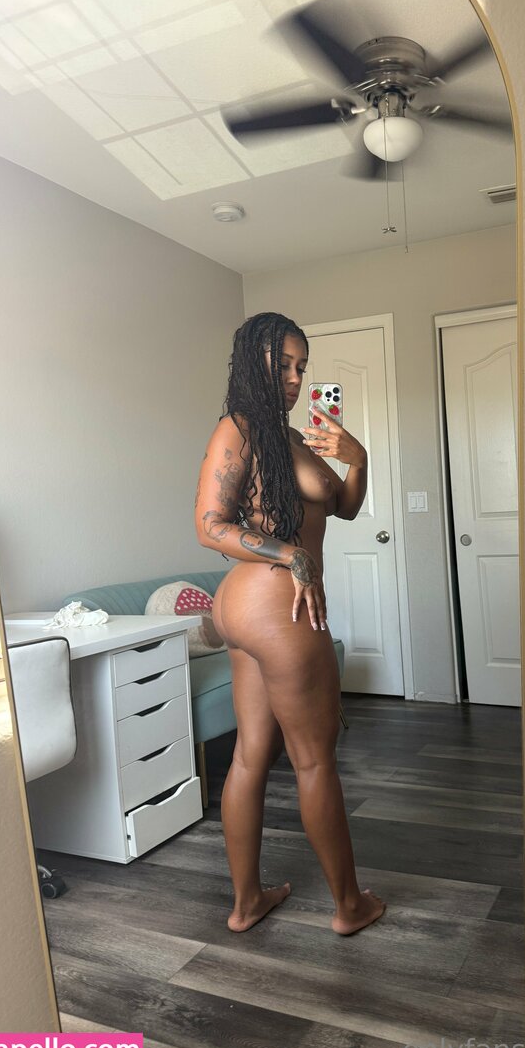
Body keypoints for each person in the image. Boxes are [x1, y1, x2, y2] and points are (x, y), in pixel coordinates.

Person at [195, 311, 385, 936]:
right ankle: (349, 906)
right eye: (282, 365)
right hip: (278, 607)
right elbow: (210, 525)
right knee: (314, 762)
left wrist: (357, 458)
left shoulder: (293, 436)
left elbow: (345, 508)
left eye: (302, 367)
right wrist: (293, 557)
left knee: (251, 755)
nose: (296, 379)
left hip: (250, 613)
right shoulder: (239, 428)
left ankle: (247, 903)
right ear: (254, 363)